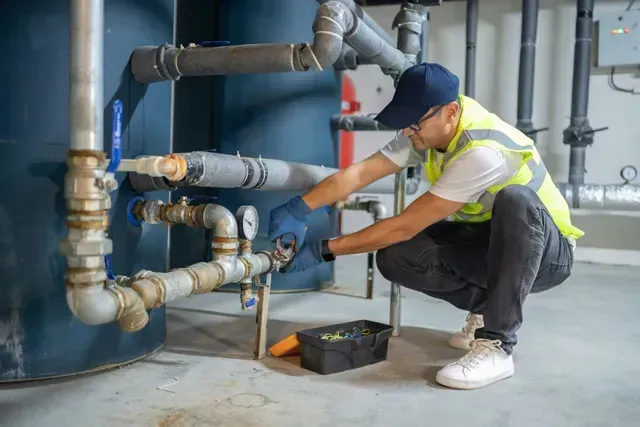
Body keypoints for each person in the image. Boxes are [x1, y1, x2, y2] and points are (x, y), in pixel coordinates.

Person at [267, 62, 583, 390]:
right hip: (490, 241)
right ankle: (487, 307)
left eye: (415, 122)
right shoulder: (424, 133)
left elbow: (403, 225)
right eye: (405, 121)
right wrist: (299, 207)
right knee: (396, 255)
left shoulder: (483, 151)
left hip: (546, 253)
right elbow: (360, 173)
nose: (407, 131)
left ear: (450, 111)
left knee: (516, 200)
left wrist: (324, 250)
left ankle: (497, 345)